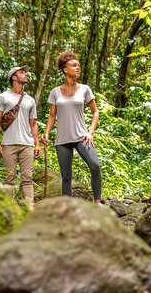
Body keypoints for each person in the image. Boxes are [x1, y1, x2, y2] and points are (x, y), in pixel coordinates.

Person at [41, 51, 102, 203]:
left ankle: (98, 203)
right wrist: (47, 133)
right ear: (65, 69)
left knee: (95, 166)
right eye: (74, 65)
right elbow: (52, 116)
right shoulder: (55, 92)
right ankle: (67, 209)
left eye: (79, 66)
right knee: (66, 176)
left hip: (82, 136)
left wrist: (91, 132)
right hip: (62, 139)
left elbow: (95, 112)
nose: (78, 68)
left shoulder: (84, 89)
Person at [0, 66, 41, 206]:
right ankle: (8, 208)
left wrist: (36, 144)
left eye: (25, 72)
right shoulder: (3, 97)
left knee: (27, 178)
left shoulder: (30, 100)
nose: (25, 74)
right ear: (14, 77)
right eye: (22, 72)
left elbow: (33, 124)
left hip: (27, 144)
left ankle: (29, 208)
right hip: (8, 143)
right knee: (9, 178)